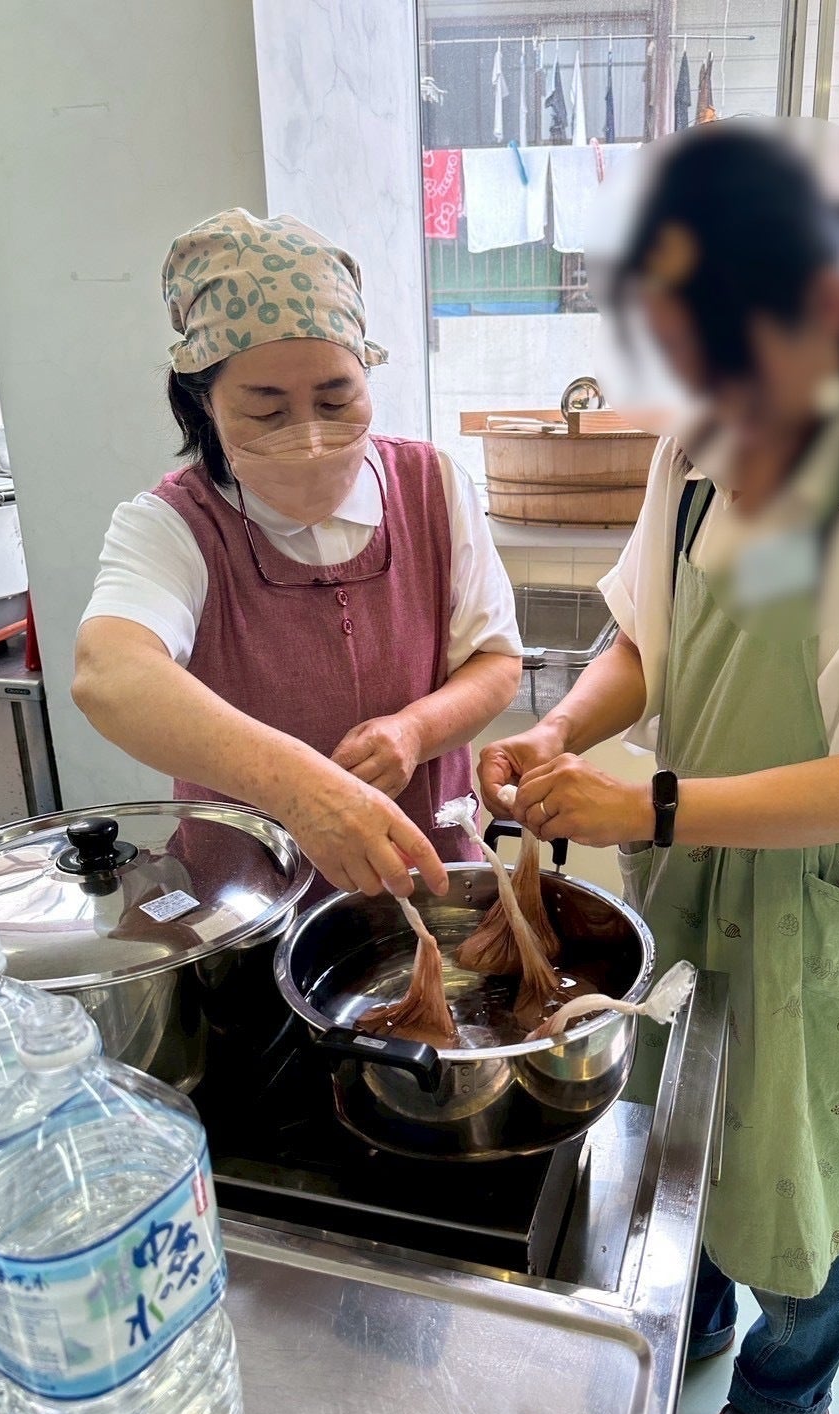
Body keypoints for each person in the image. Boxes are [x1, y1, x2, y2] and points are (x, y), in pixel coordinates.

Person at [480, 123, 839, 1414]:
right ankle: (693, 1312)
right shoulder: (705, 451)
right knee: (687, 1135)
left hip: (827, 892)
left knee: (801, 1168)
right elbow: (651, 643)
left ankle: (783, 1402)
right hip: (691, 870)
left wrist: (644, 806)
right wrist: (559, 728)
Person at [75, 209, 521, 900]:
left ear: (367, 376)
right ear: (205, 402)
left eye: (335, 401)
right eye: (267, 411)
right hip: (246, 906)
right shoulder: (173, 527)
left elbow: (495, 662)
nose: (310, 437)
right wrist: (300, 790)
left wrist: (413, 731)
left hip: (426, 887)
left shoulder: (432, 488)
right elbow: (109, 674)